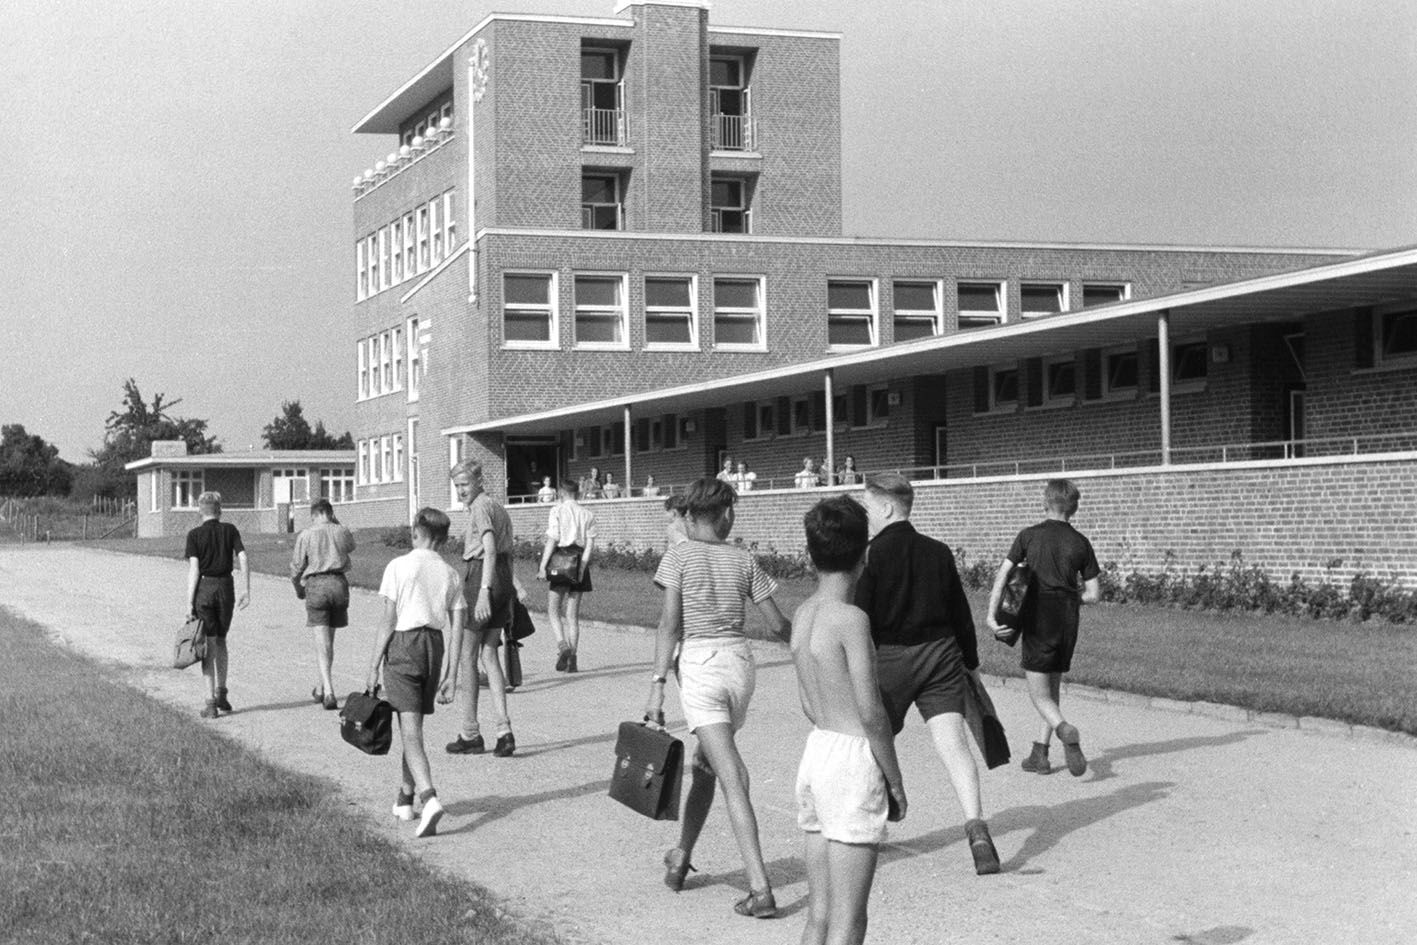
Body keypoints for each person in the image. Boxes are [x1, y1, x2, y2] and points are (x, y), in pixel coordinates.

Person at [645, 477, 792, 919]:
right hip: (740, 666)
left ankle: (760, 888)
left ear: (690, 516)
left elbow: (670, 625)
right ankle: (680, 856)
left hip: (702, 667)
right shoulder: (744, 559)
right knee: (705, 764)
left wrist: (657, 684)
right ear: (726, 514)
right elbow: (778, 625)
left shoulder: (679, 555)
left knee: (731, 774)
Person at [854, 472, 1000, 875]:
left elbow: (860, 617)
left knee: (873, 741)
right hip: (940, 655)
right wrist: (969, 662)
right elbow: (960, 614)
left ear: (885, 507)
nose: (868, 516)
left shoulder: (870, 556)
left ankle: (871, 829)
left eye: (868, 508)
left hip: (890, 659)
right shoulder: (938, 551)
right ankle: (977, 827)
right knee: (954, 745)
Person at [792, 495, 906, 945]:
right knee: (849, 919)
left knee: (818, 915)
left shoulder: (803, 614)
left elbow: (805, 701)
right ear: (864, 555)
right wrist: (894, 781)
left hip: (817, 749)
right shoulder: (852, 620)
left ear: (810, 555)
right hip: (852, 758)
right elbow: (872, 713)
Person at [986, 479, 1101, 777]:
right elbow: (1093, 594)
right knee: (1052, 687)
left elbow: (1003, 577)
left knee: (1039, 695)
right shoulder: (1081, 542)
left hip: (1038, 617)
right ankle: (1040, 753)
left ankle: (1065, 730)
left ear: (1045, 502)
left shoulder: (1028, 536)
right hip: (1067, 619)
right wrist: (1068, 597)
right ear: (1074, 508)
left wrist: (991, 615)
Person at [367, 507, 463, 839]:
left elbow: (389, 620)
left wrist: (373, 664)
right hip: (433, 647)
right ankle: (405, 798)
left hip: (404, 645)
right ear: (444, 539)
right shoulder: (450, 573)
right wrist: (452, 673)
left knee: (410, 733)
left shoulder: (398, 566)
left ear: (415, 532)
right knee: (415, 726)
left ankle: (429, 797)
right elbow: (459, 626)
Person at [444, 461, 516, 758]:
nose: (461, 491)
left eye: (465, 484)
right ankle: (504, 729)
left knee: (467, 655)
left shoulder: (480, 508)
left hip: (481, 577)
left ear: (479, 481)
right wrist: (507, 590)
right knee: (489, 653)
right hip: (501, 577)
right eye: (457, 486)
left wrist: (484, 592)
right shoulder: (498, 506)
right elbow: (505, 553)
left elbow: (488, 548)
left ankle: (470, 732)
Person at [185, 491, 250, 718]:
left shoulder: (194, 535)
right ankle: (222, 693)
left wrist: (188, 602)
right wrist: (246, 589)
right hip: (226, 588)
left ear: (199, 510)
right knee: (221, 641)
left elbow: (194, 570)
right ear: (220, 509)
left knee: (208, 646)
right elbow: (243, 557)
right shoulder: (230, 530)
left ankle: (210, 702)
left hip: (205, 589)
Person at [290, 498, 356, 710]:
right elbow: (351, 546)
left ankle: (328, 691)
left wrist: (298, 588)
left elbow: (296, 566)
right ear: (330, 513)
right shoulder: (342, 531)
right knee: (330, 642)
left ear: (314, 514)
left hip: (317, 584)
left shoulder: (306, 535)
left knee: (321, 643)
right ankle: (320, 687)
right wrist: (335, 523)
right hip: (338, 584)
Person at [539, 478, 597, 673]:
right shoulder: (587, 514)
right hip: (579, 559)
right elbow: (589, 545)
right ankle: (573, 659)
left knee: (553, 609)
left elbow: (552, 539)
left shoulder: (557, 511)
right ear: (577, 493)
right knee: (572, 615)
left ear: (561, 494)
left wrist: (542, 566)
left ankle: (562, 645)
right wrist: (582, 567)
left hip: (562, 559)